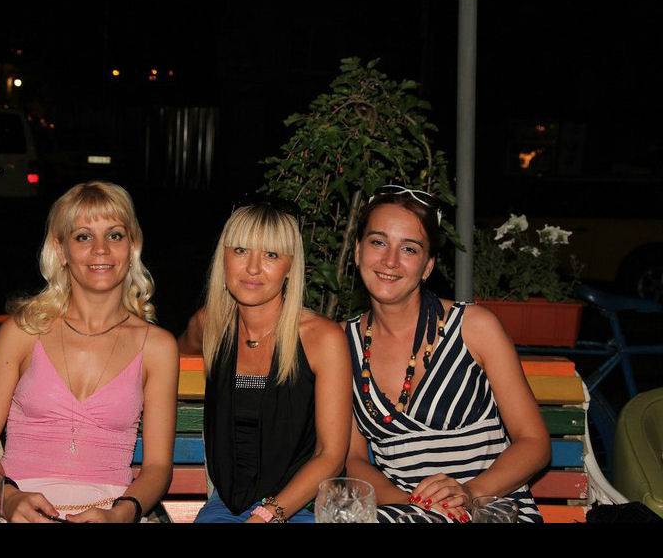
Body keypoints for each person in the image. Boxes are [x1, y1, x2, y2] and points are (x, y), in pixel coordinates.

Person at [0, 181, 178, 523]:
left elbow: (158, 467)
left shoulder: (158, 347)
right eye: (83, 237)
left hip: (110, 511)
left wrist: (120, 514)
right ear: (61, 250)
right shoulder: (22, 332)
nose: (101, 249)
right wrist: (8, 498)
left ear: (132, 247)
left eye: (115, 235)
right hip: (18, 507)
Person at [343, 185, 551, 523]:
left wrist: (467, 493)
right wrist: (416, 505)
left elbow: (535, 442)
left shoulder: (474, 327)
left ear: (427, 266)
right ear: (357, 251)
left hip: (488, 508)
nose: (390, 260)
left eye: (409, 248)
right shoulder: (342, 343)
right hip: (403, 512)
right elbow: (354, 460)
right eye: (378, 242)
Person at [178, 198, 351, 522]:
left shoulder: (321, 339)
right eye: (240, 250)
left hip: (298, 506)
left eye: (271, 254)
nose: (253, 268)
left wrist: (266, 515)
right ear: (224, 258)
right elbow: (167, 361)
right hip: (225, 507)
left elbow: (330, 456)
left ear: (290, 267)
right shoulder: (209, 325)